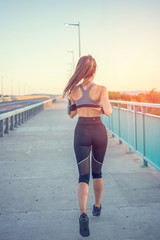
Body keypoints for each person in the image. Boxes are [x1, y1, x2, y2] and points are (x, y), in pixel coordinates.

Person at [63, 55, 112, 237]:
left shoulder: (73, 90)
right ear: (95, 70)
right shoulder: (102, 89)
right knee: (97, 173)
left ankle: (83, 215)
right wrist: (102, 101)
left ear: (80, 70)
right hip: (99, 131)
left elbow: (71, 115)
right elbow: (107, 111)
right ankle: (97, 207)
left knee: (83, 176)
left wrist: (71, 100)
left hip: (81, 132)